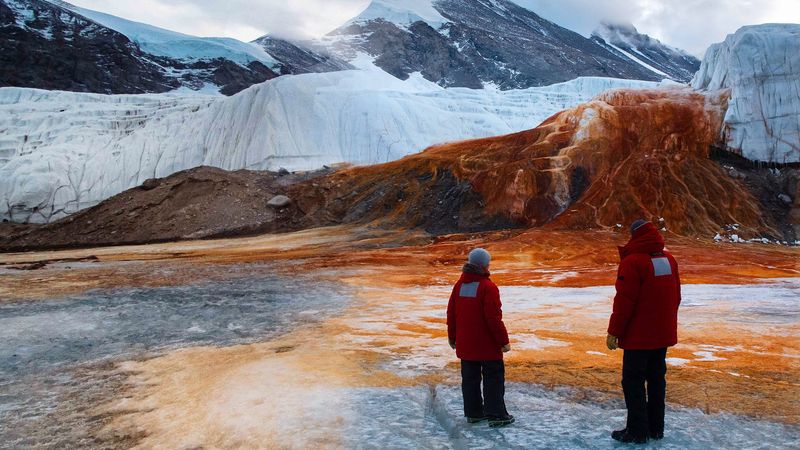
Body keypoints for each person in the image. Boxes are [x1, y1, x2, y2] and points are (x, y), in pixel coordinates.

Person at [606, 219, 681, 444]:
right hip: (661, 335)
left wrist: (614, 331)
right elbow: (675, 296)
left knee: (633, 382)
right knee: (657, 380)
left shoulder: (633, 262)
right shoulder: (669, 260)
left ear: (635, 236)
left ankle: (637, 431)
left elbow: (625, 302)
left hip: (639, 338)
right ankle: (656, 428)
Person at [447, 248, 514, 428]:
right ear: (485, 265)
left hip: (467, 345)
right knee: (493, 379)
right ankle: (497, 415)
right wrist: (503, 341)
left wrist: (452, 337)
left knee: (470, 380)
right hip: (487, 346)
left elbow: (451, 314)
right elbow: (493, 318)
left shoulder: (459, 286)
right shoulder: (487, 287)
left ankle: (474, 413)